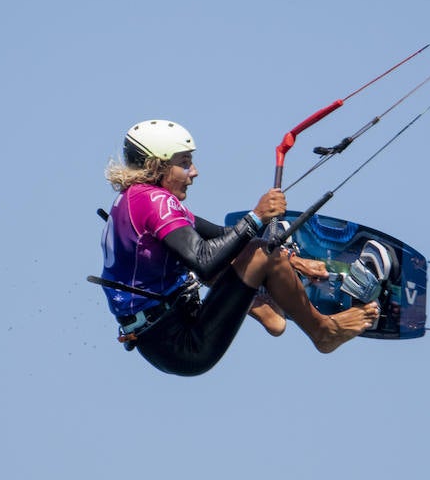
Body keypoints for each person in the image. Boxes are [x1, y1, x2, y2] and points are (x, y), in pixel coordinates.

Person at [99, 119, 379, 376]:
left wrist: (293, 261)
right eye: (185, 163)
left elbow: (219, 236)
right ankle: (324, 332)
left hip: (157, 339)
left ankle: (267, 309)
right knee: (258, 252)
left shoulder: (133, 198)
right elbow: (205, 260)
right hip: (183, 344)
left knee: (245, 249)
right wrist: (257, 217)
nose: (194, 172)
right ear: (156, 166)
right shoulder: (156, 202)